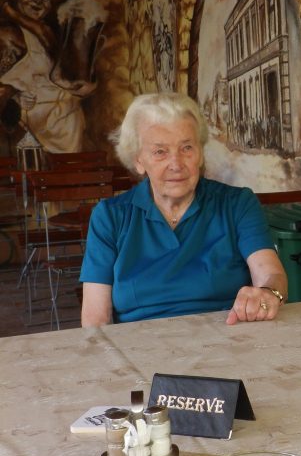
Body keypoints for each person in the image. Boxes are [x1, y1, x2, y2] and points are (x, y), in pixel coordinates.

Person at [80, 92, 287, 325]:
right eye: (160, 152)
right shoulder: (110, 217)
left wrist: (267, 293)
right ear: (138, 160)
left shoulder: (237, 204)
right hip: (141, 342)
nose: (176, 164)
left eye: (187, 148)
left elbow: (271, 274)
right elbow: (95, 320)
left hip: (227, 336)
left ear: (200, 153)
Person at [0, 0, 98, 155]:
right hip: (32, 137)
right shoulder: (7, 35)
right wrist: (14, 98)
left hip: (67, 132)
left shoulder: (47, 33)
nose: (38, 0)